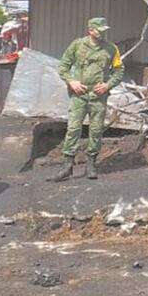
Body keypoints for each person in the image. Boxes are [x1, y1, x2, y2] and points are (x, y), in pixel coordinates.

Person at [48, 17, 123, 182]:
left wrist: (108, 85)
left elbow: (119, 71)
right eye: (99, 30)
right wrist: (71, 81)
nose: (103, 33)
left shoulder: (111, 48)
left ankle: (91, 164)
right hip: (79, 96)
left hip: (98, 97)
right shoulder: (77, 45)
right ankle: (67, 166)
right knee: (73, 129)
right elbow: (63, 67)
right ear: (90, 30)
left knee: (96, 131)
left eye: (104, 31)